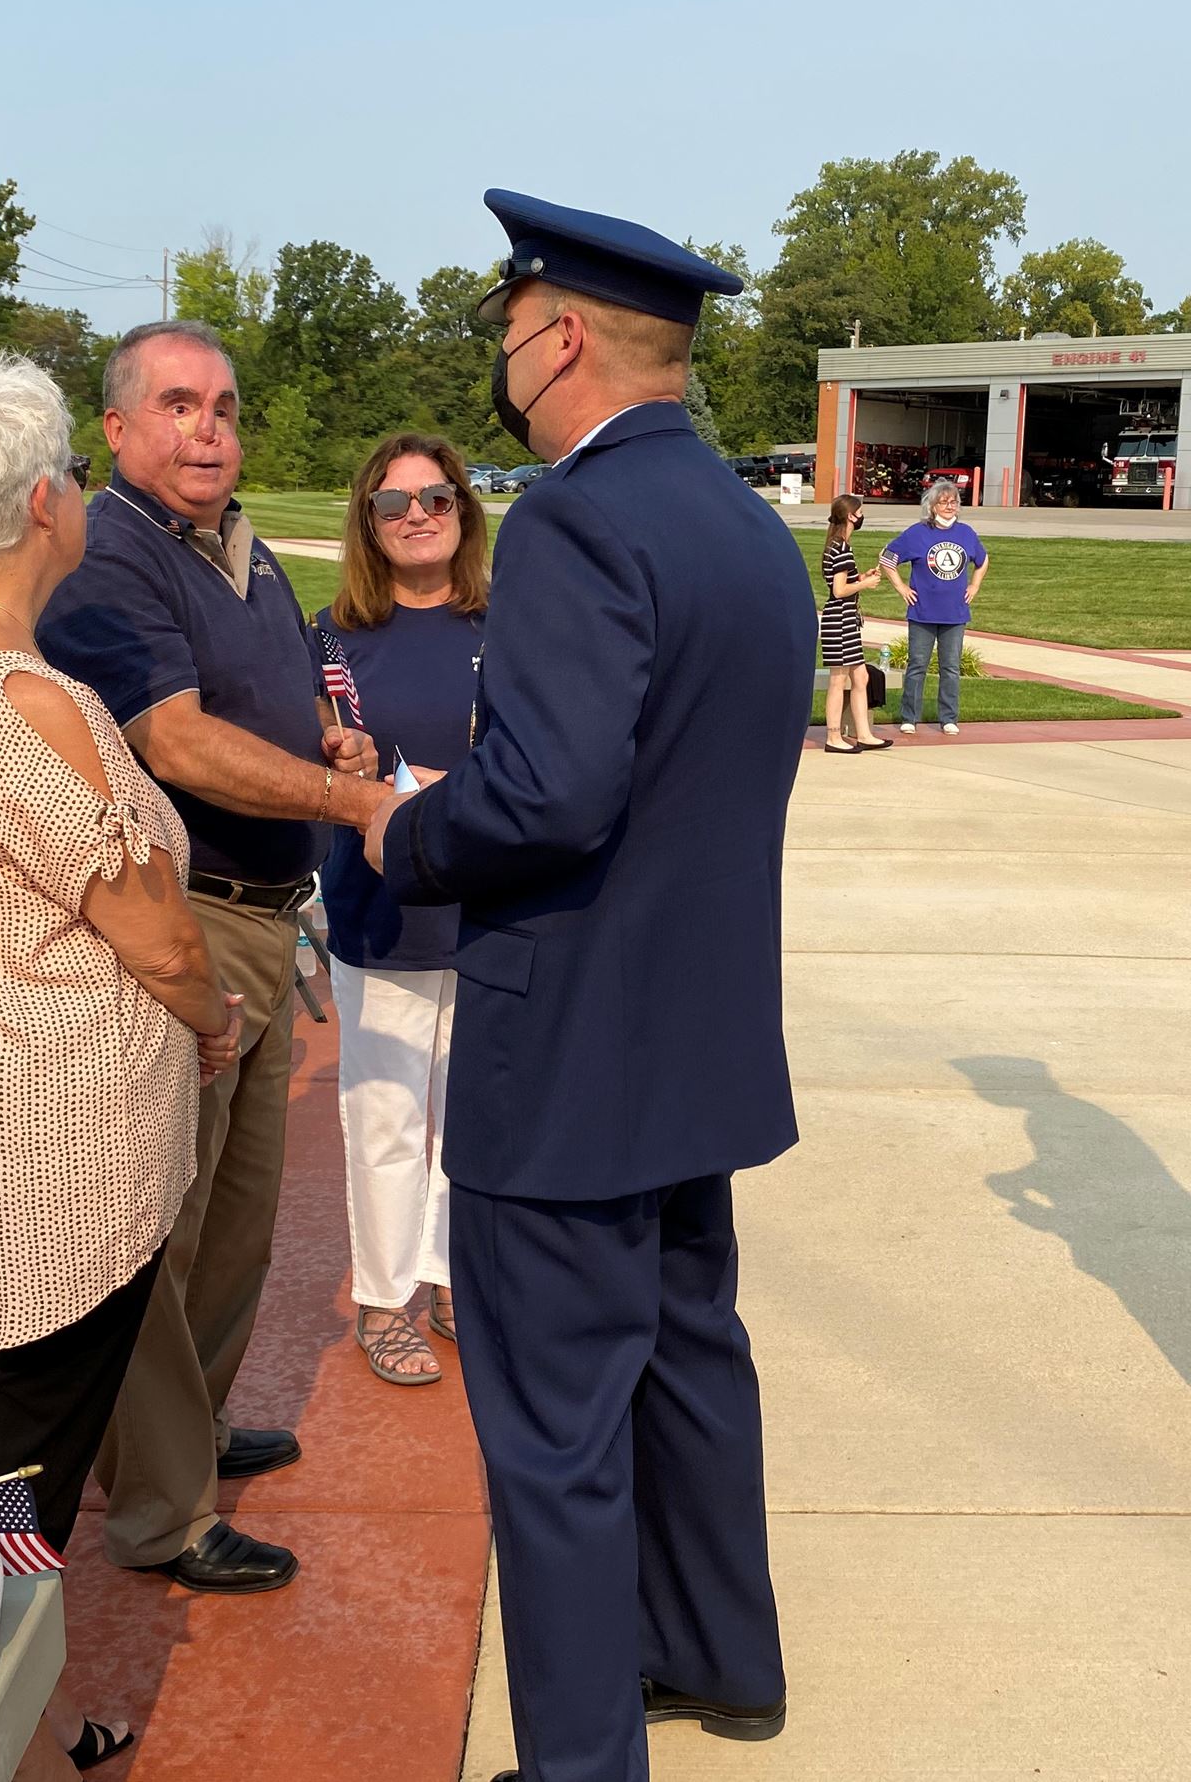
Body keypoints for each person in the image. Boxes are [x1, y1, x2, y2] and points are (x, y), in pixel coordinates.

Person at [363, 190, 806, 1782]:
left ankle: (579, 1763)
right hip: (697, 1034)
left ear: (558, 338)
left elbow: (550, 793)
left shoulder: (572, 519)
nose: (503, 360)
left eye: (508, 330)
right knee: (689, 1356)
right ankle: (720, 1650)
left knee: (555, 1426)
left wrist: (407, 827)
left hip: (568, 1053)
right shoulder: (746, 525)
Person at [0, 351, 242, 1770]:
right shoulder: (22, 704)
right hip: (53, 1154)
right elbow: (158, 935)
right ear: (39, 504)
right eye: (71, 471)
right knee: (19, 1472)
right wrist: (213, 1018)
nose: (77, 492)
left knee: (3, 1429)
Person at [37, 320, 397, 1594]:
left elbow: (282, 697)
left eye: (226, 408)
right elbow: (175, 741)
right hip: (181, 921)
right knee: (166, 1225)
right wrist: (353, 799)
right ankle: (160, 1509)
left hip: (266, 910)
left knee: (239, 1220)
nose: (209, 430)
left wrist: (329, 744)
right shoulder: (109, 554)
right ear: (117, 429)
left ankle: (186, 1429)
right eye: (178, 405)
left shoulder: (242, 550)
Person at [310, 433, 489, 1386]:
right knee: (385, 1114)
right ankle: (384, 1300)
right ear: (368, 523)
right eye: (393, 503)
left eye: (437, 497)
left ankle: (454, 1280)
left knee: (472, 1115)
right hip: (381, 904)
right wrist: (333, 757)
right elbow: (307, 758)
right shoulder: (331, 638)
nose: (418, 515)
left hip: (490, 903)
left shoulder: (509, 624)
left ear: (464, 509)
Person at [881, 478, 988, 735]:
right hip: (923, 612)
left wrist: (974, 585)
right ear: (932, 506)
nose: (950, 506)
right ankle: (909, 717)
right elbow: (887, 558)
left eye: (954, 502)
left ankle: (948, 718)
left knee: (950, 667)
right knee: (917, 665)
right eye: (944, 502)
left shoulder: (966, 533)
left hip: (955, 614)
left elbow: (983, 560)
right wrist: (901, 587)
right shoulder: (917, 533)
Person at [818, 492, 892, 754]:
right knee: (838, 680)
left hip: (845, 619)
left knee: (860, 676)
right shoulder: (841, 548)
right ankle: (833, 736)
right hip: (839, 620)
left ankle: (864, 735)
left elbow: (841, 580)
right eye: (859, 512)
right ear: (850, 516)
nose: (861, 516)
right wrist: (865, 584)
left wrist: (860, 577)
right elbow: (838, 590)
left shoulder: (837, 546)